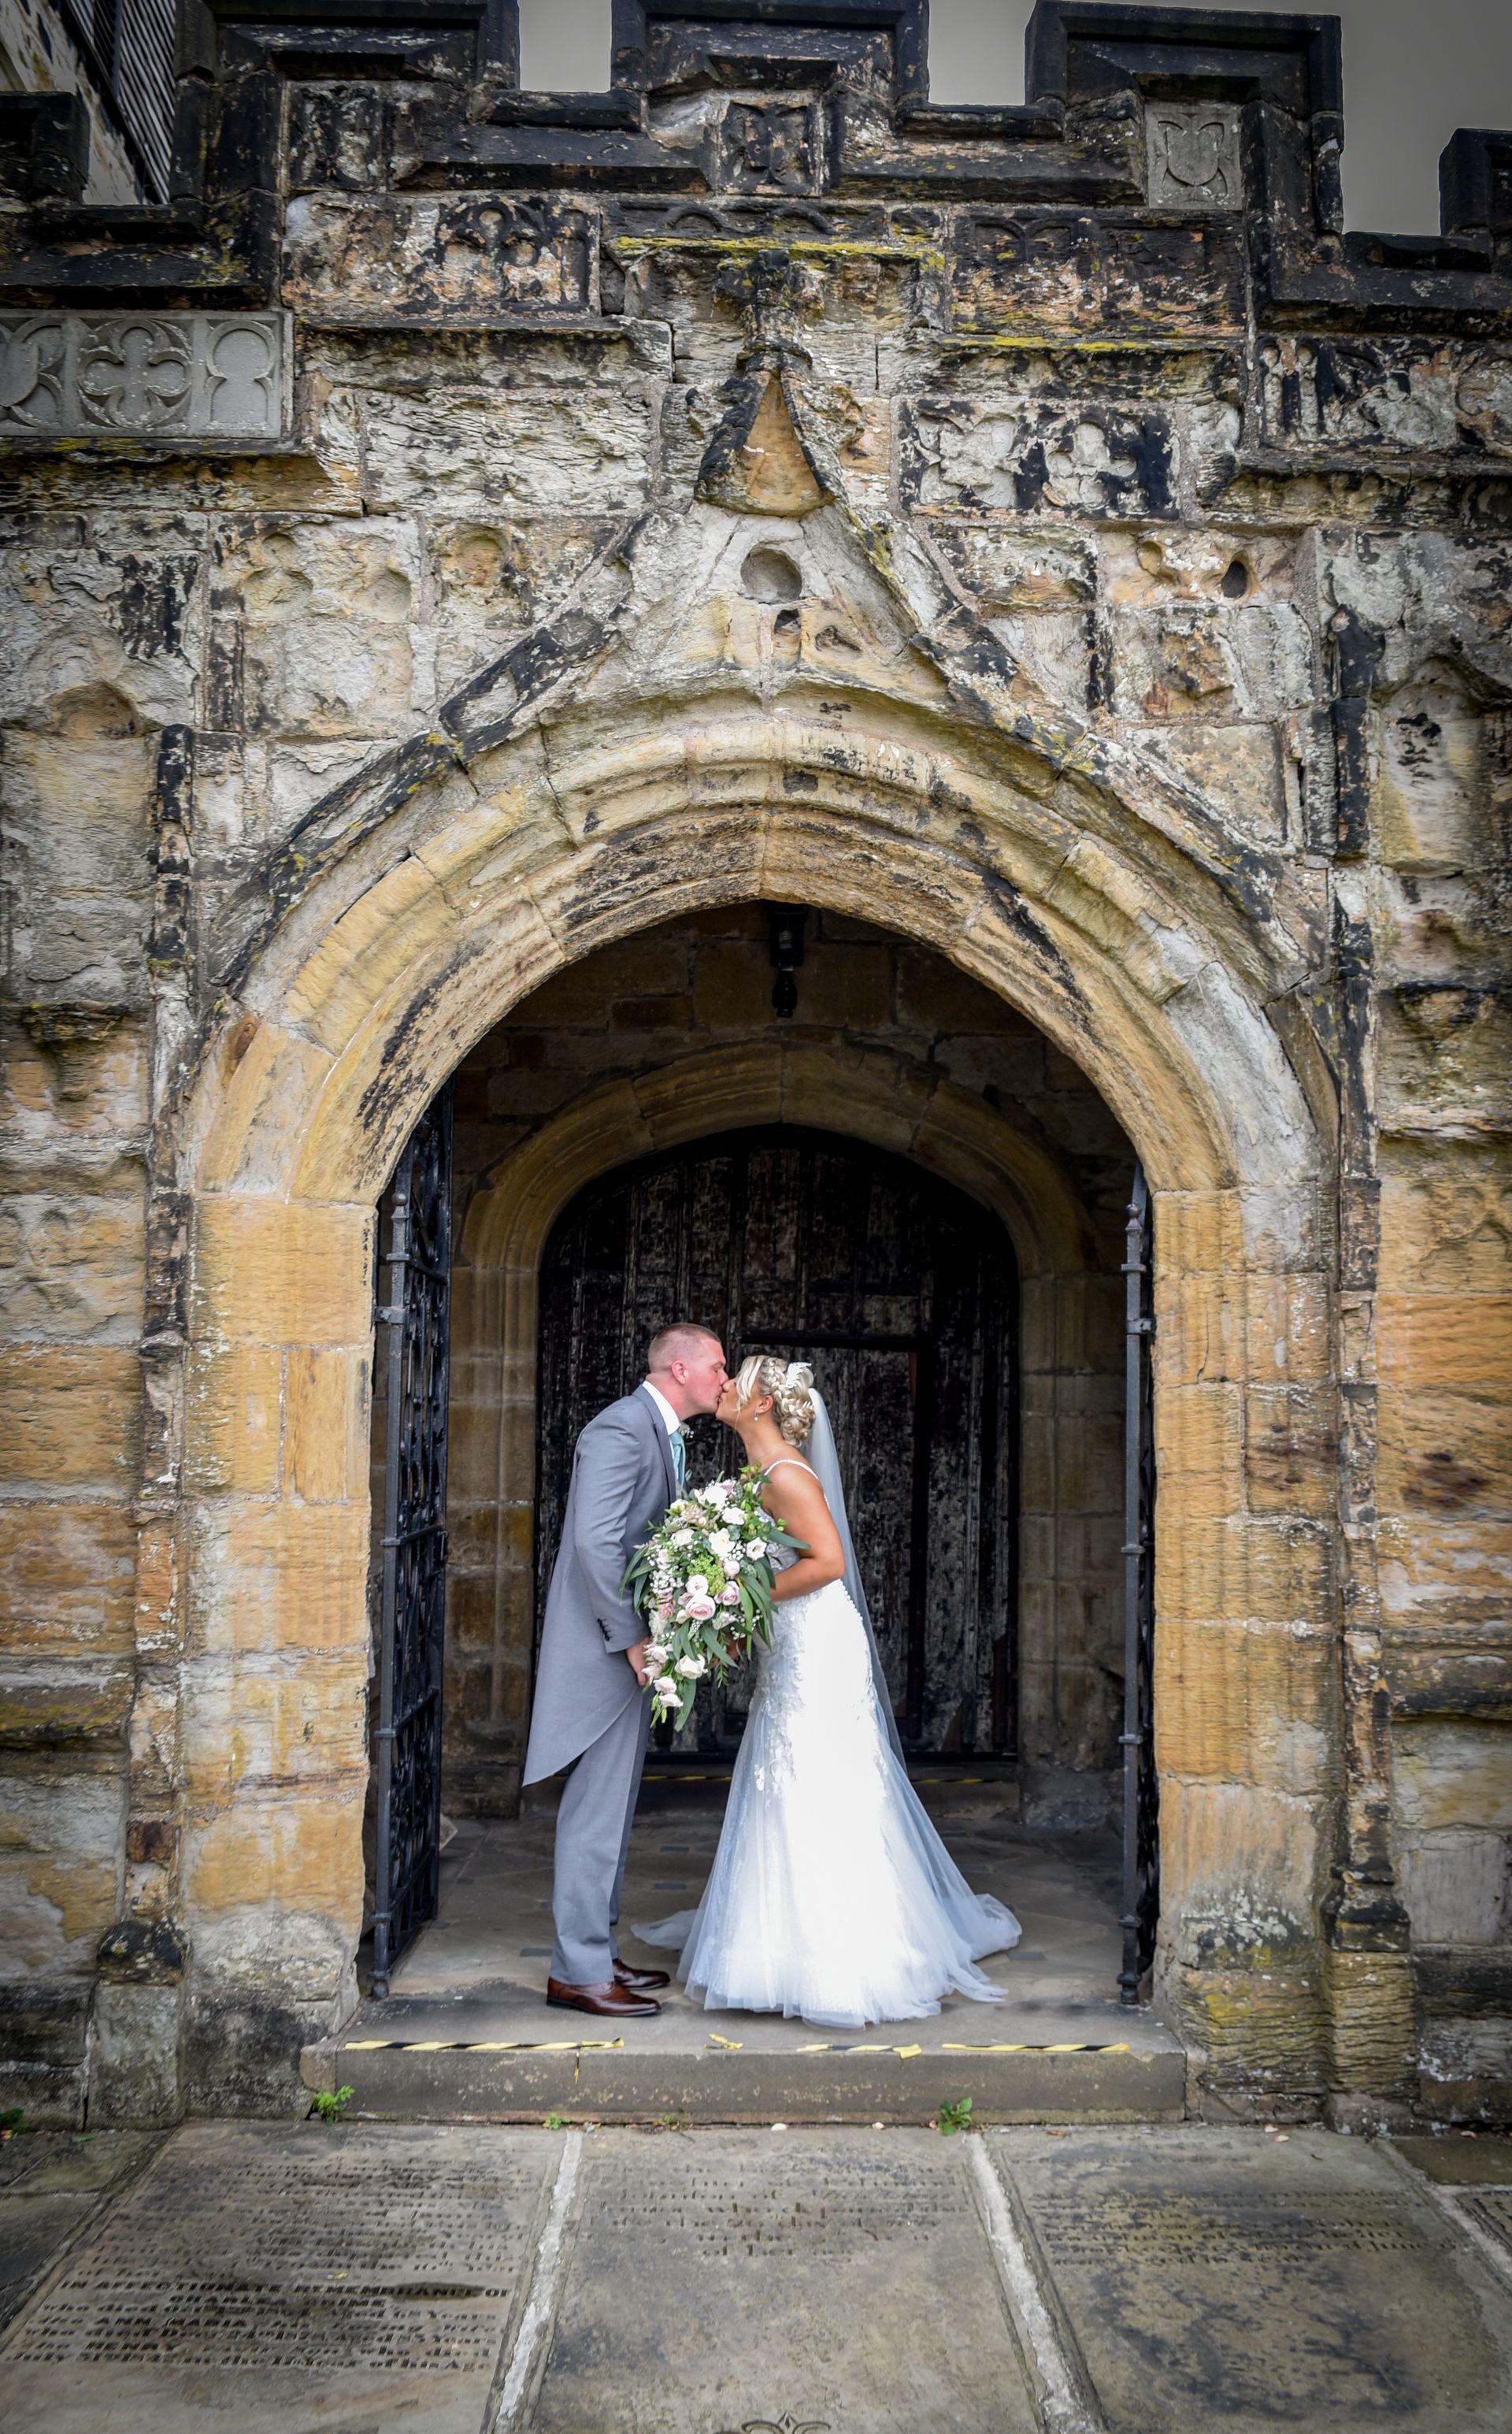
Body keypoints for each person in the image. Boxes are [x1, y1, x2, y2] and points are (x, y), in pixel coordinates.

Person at [638, 1355, 1021, 2026]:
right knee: (779, 1779)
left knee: (817, 1780)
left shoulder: (787, 1473)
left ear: (761, 1406)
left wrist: (736, 1595)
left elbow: (830, 1562)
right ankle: (775, 1946)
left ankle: (852, 1955)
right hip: (789, 1646)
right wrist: (731, 1610)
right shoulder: (754, 1474)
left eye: (738, 1381)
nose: (723, 1386)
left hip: (818, 1647)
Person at [524, 1321, 728, 2017]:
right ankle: (577, 1972)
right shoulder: (619, 1428)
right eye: (717, 1367)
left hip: (632, 1645)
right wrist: (635, 1638)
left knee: (610, 1812)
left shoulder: (658, 1428)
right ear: (679, 1371)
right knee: (592, 1813)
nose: (724, 1380)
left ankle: (596, 1954)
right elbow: (595, 1540)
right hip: (606, 1647)